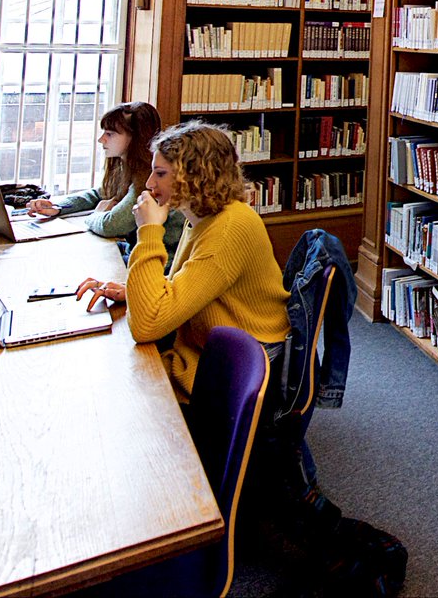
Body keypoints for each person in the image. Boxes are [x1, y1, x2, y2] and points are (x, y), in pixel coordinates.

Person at [77, 120, 290, 401]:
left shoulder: (227, 230)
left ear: (194, 177)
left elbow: (146, 326)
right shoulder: (203, 216)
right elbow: (189, 282)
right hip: (216, 344)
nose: (150, 184)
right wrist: (133, 291)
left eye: (160, 173)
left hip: (239, 366)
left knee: (112, 384)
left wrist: (149, 231)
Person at [27, 101, 184, 262]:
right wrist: (58, 207)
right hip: (135, 253)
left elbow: (112, 225)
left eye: (110, 134)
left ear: (135, 137)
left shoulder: (148, 179)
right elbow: (100, 193)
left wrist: (96, 214)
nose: (101, 140)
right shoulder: (125, 166)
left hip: (158, 263)